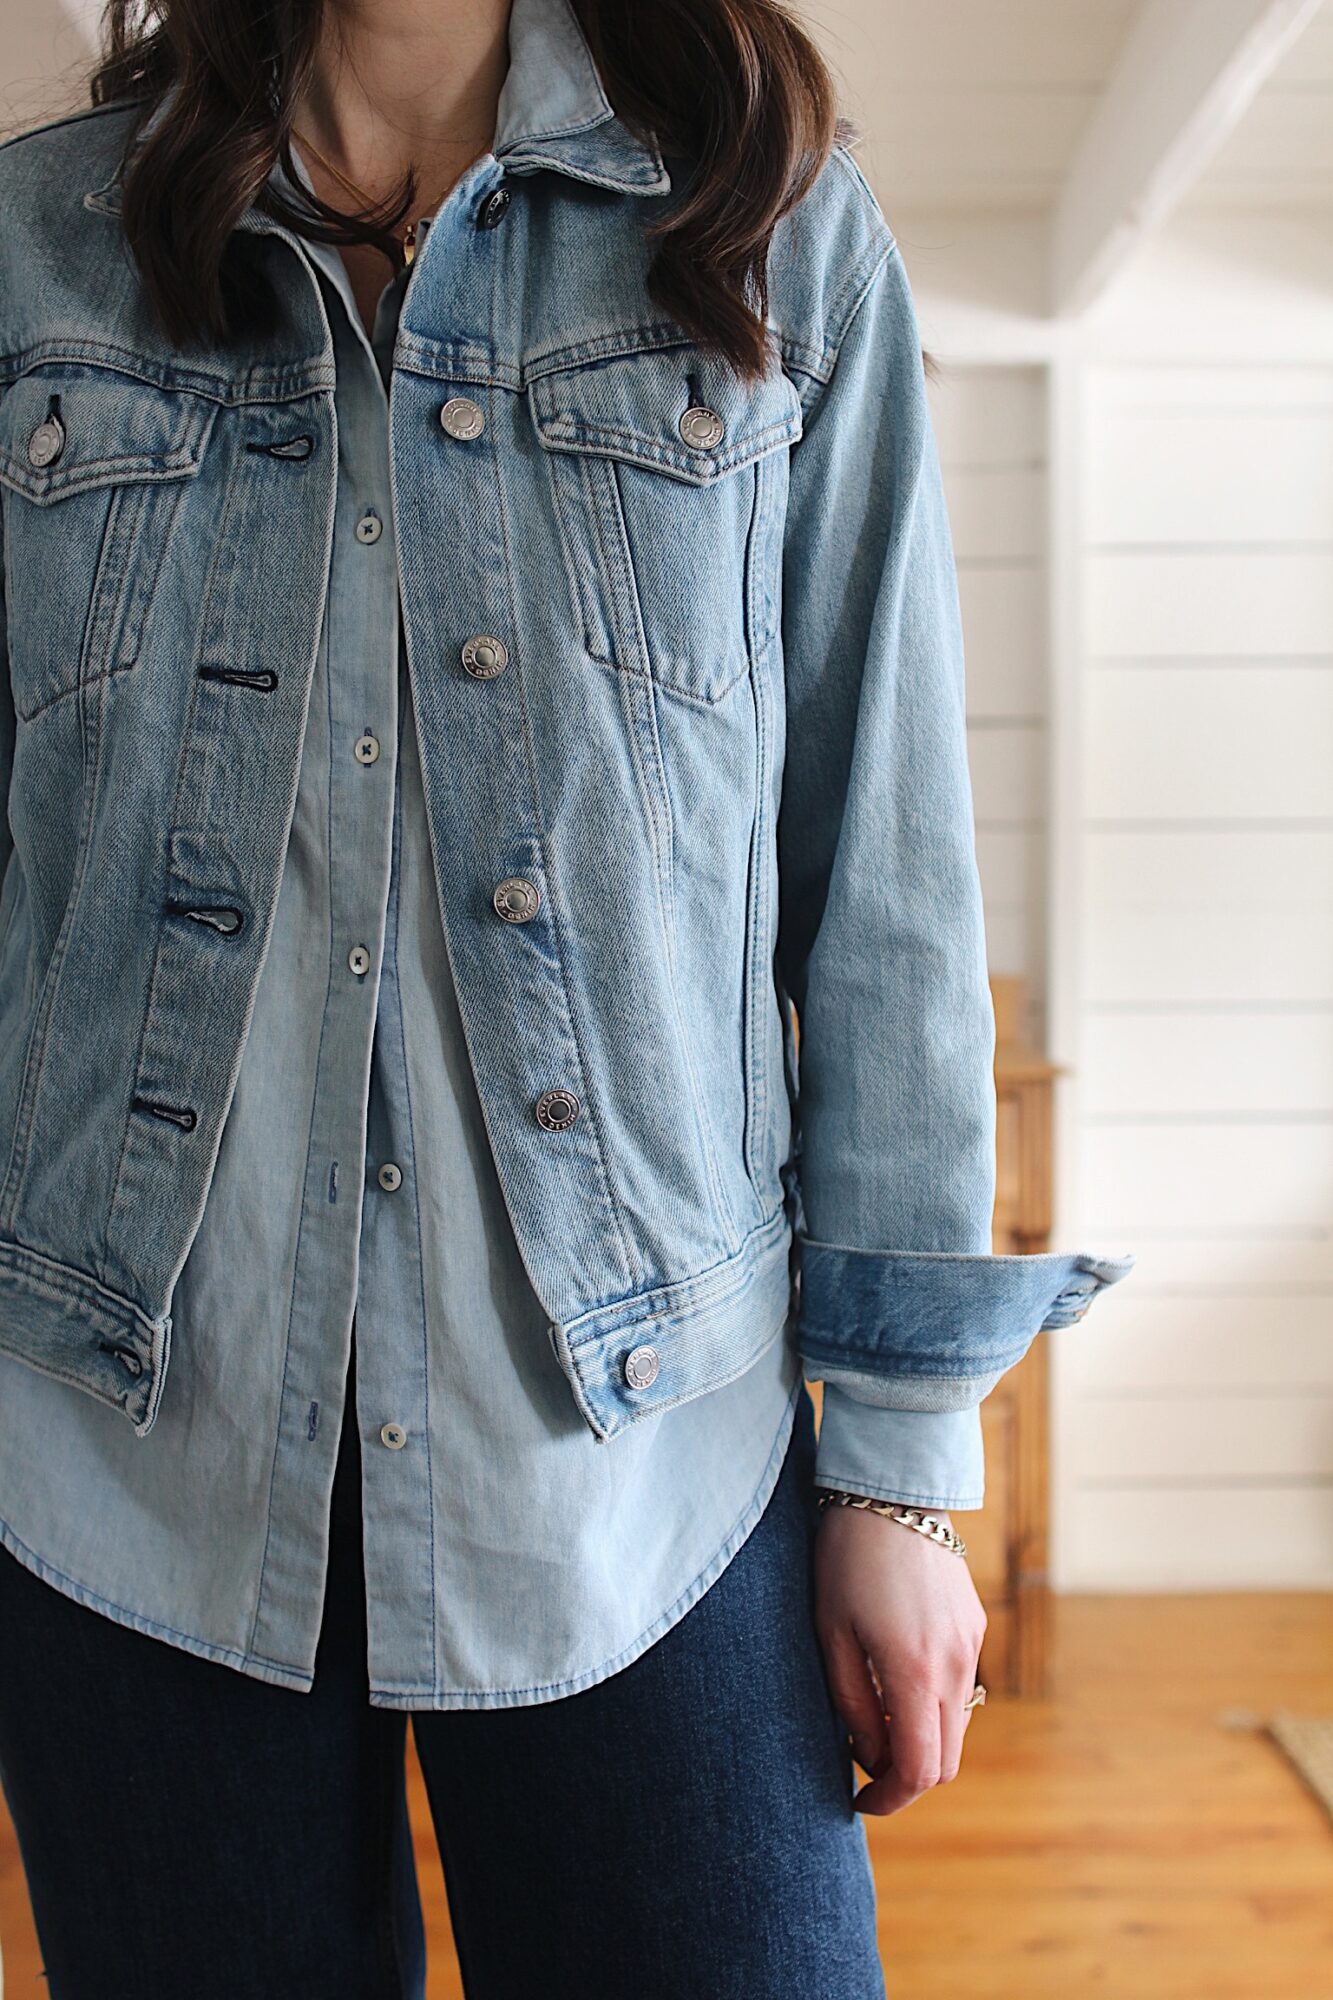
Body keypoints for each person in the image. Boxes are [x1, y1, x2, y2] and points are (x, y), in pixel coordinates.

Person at [0, 0, 1132, 1992]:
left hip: (648, 1466)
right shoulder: (37, 250)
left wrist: (899, 1472)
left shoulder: (778, 235)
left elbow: (884, 882)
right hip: (119, 1457)